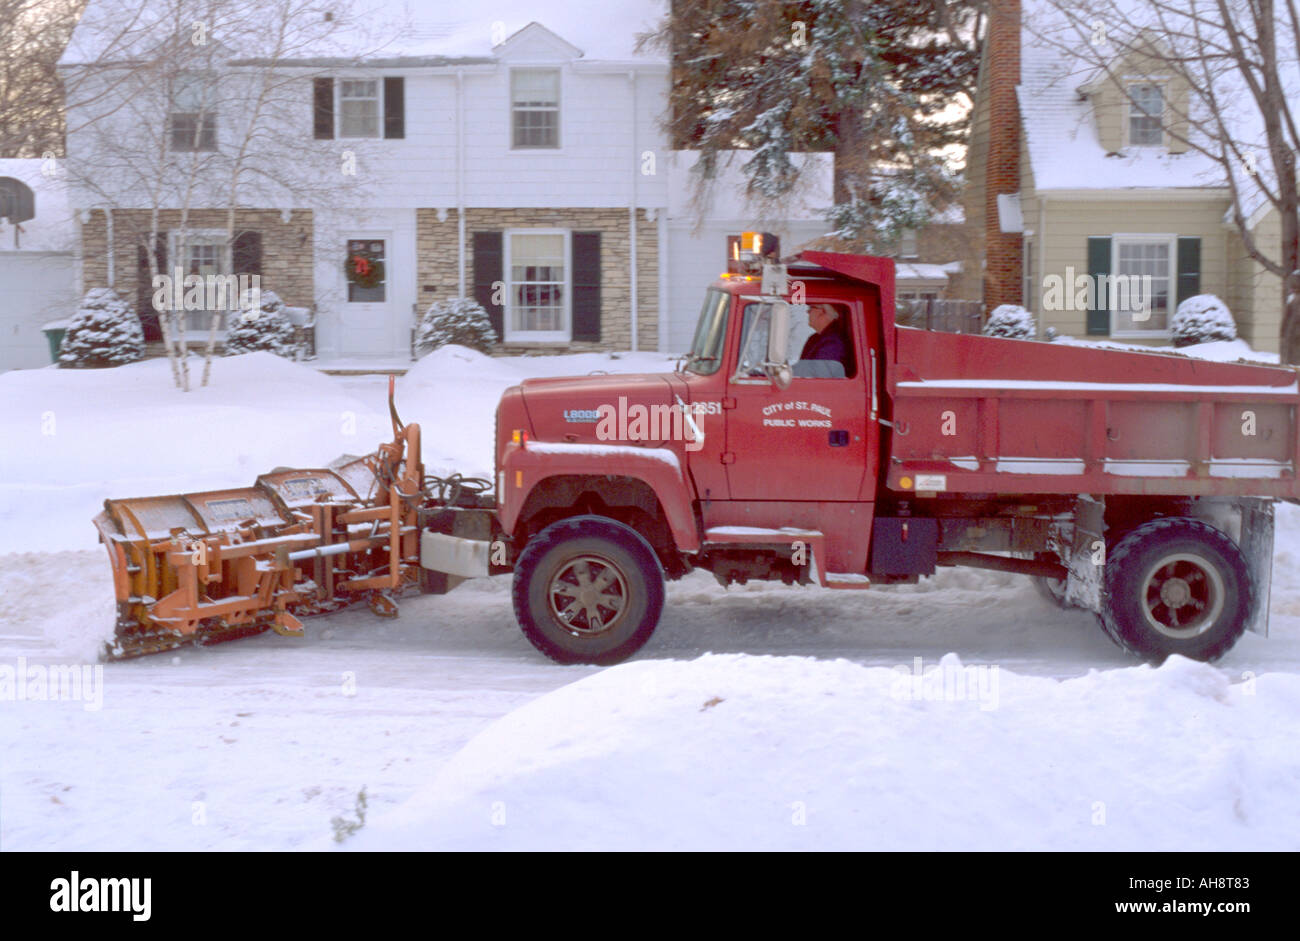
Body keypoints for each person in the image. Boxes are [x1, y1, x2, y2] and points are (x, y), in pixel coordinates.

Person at [799, 302, 849, 369]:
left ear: (822, 311)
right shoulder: (816, 338)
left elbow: (819, 374)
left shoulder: (833, 343)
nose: (807, 311)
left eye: (811, 308)